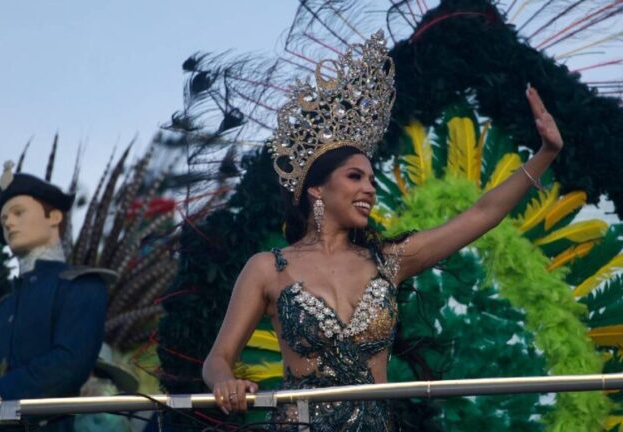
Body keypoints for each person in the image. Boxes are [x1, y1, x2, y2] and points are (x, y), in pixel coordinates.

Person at [202, 31, 563, 431]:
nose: (370, 189)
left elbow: (482, 213)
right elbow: (217, 359)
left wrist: (546, 154)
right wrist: (226, 384)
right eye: (355, 177)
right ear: (317, 189)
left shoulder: (389, 261)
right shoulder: (267, 268)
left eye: (372, 180)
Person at [0, 164, 111, 432]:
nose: (8, 222)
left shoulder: (81, 286)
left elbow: (67, 365)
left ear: (54, 216)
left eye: (18, 212)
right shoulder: (2, 309)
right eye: (4, 219)